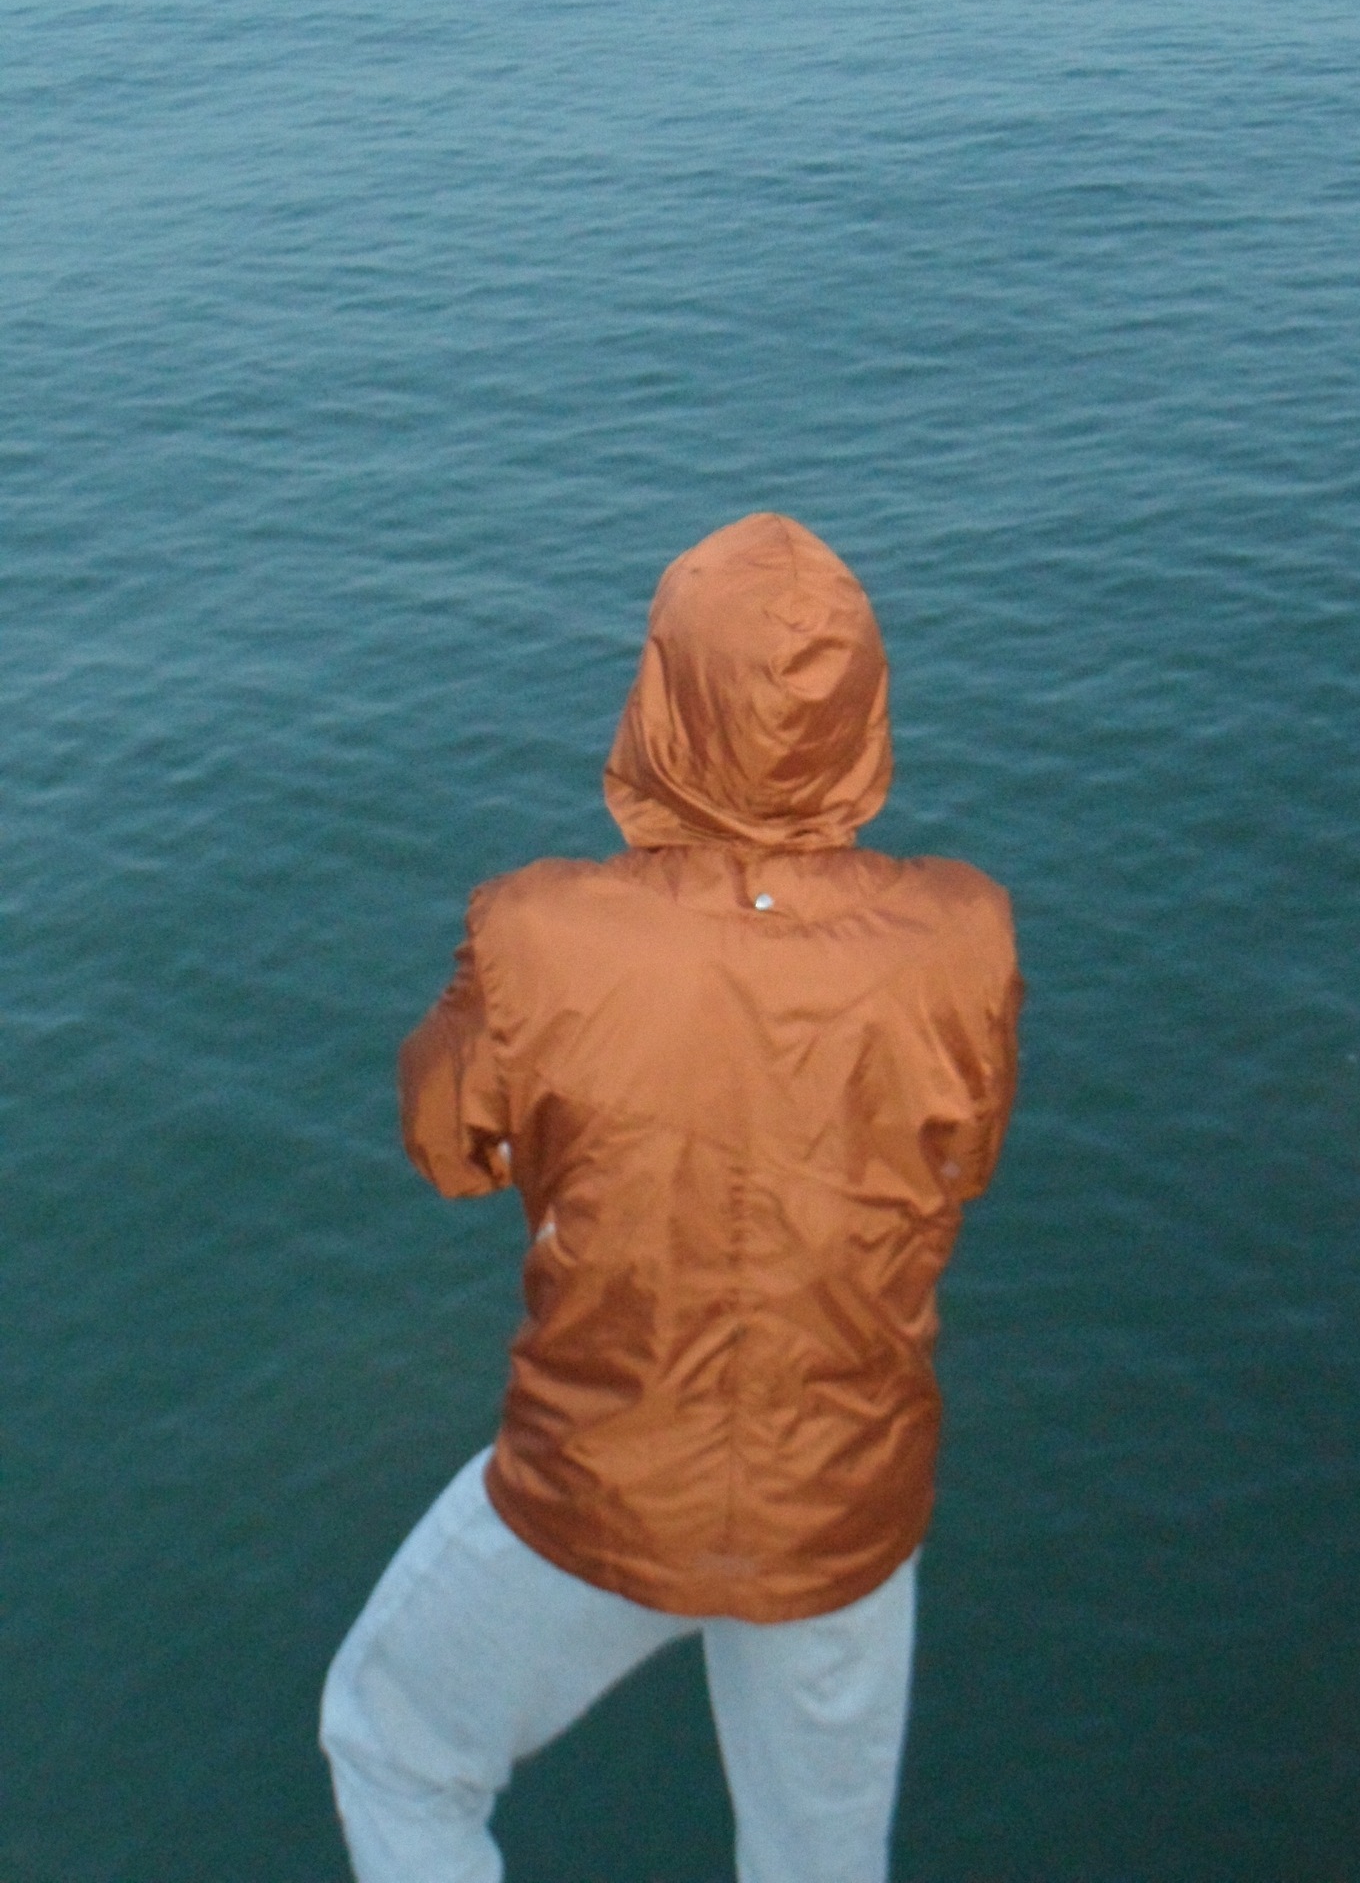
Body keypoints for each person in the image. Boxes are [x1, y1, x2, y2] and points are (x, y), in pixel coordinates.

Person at [320, 512, 1023, 1883]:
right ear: (862, 708)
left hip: (602, 1481)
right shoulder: (964, 932)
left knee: (393, 1745)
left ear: (662, 697)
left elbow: (448, 1149)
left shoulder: (534, 930)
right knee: (821, 1858)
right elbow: (964, 1163)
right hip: (842, 1498)